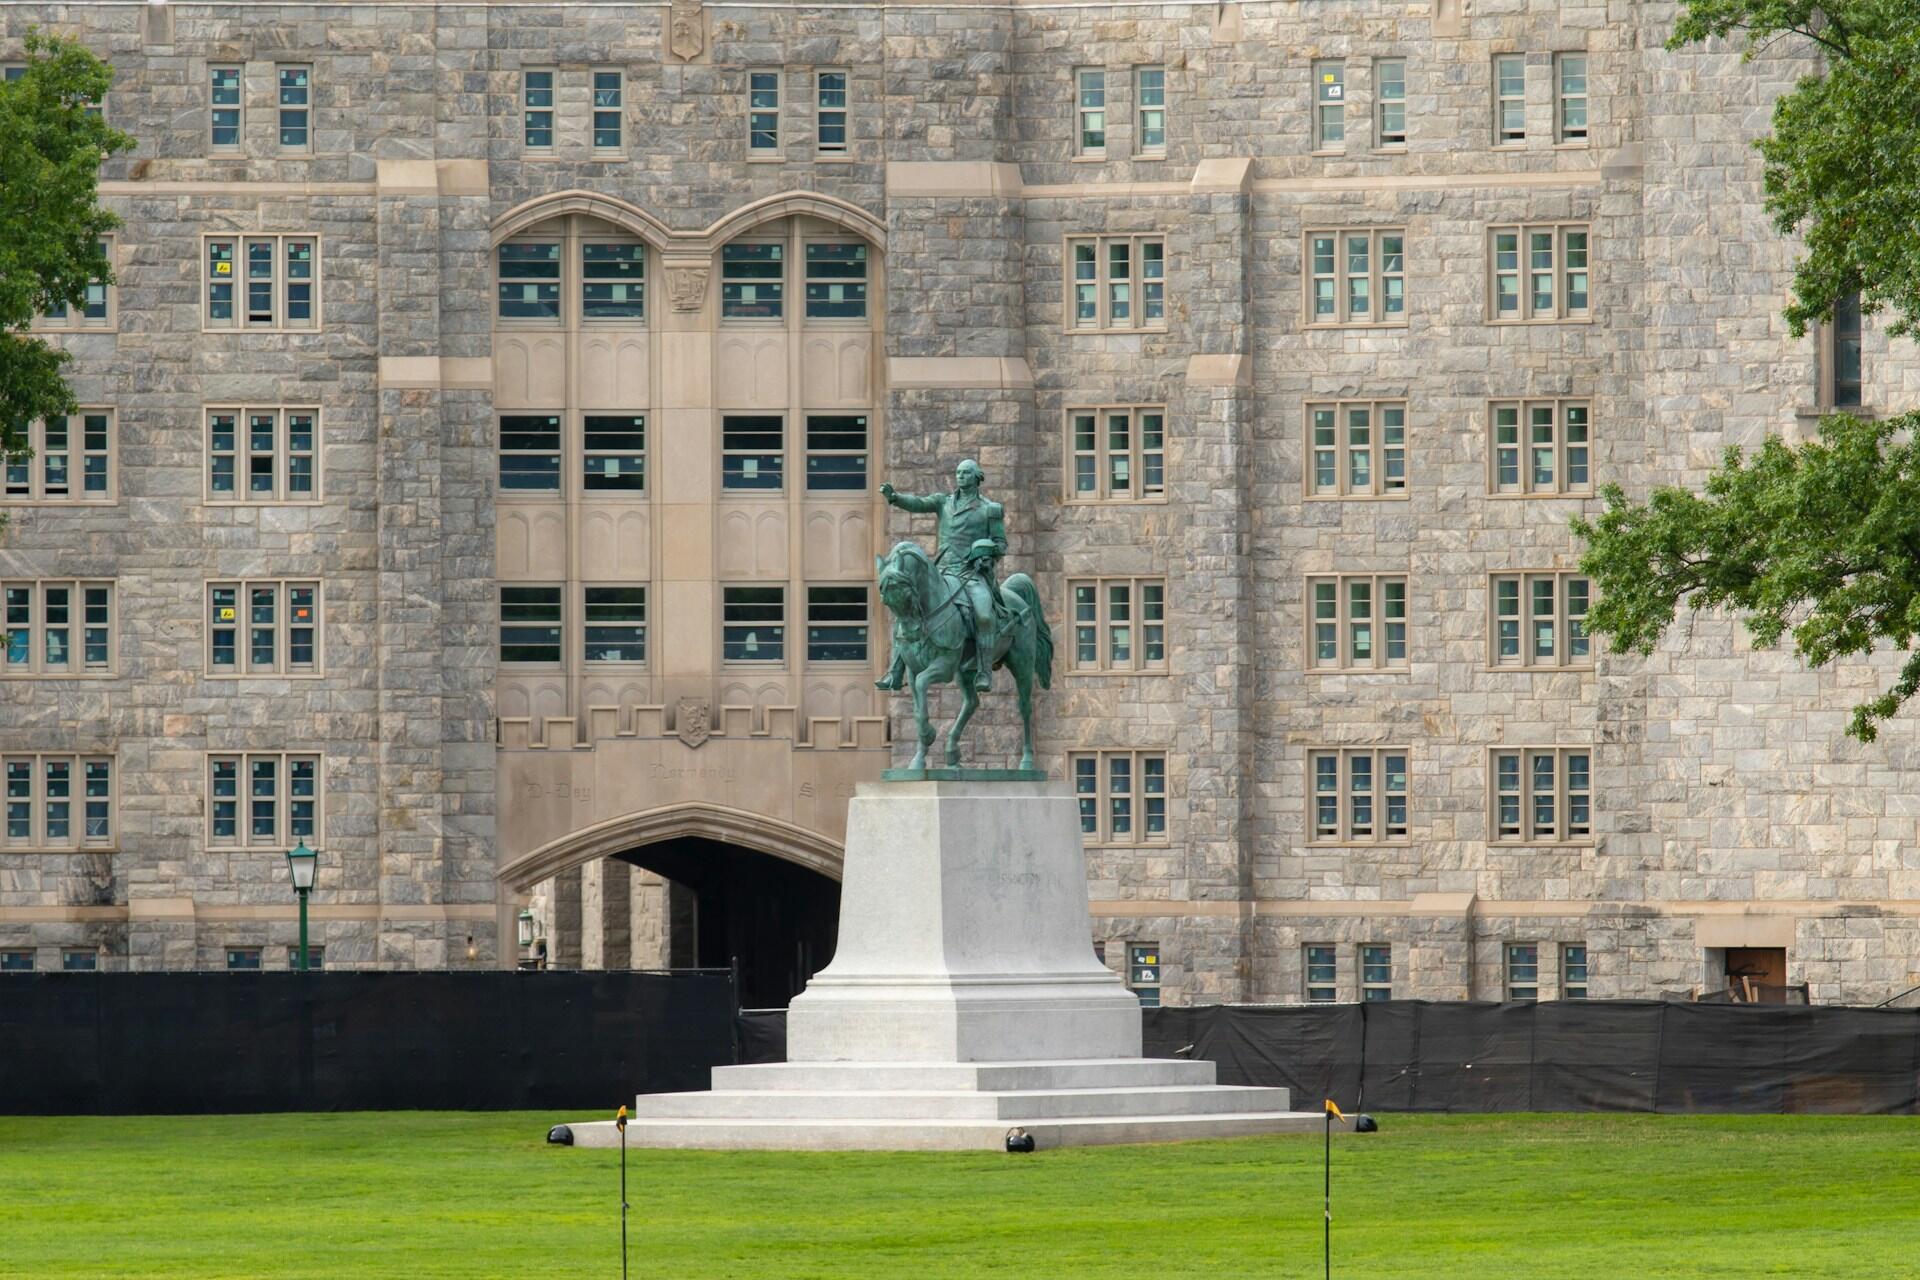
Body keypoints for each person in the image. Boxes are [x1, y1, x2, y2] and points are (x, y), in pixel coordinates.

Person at [876, 458, 1008, 692]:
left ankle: (984, 671)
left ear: (977, 477)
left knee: (984, 616)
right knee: (908, 608)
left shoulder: (990, 509)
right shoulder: (942, 502)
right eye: (958, 472)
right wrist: (895, 497)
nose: (961, 476)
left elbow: (1001, 544)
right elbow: (918, 503)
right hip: (943, 571)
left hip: (971, 574)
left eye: (966, 473)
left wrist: (987, 553)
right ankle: (895, 670)